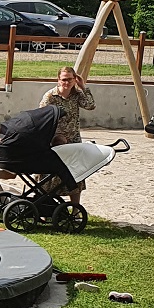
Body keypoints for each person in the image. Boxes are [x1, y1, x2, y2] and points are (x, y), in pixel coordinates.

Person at [39, 66, 96, 205]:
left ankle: (75, 208)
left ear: (74, 79)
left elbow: (90, 105)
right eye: (64, 79)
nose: (67, 82)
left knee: (76, 174)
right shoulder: (51, 96)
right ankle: (45, 204)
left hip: (73, 139)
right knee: (50, 174)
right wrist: (54, 137)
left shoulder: (76, 95)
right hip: (55, 141)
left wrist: (83, 87)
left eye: (70, 79)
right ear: (58, 80)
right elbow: (41, 117)